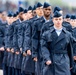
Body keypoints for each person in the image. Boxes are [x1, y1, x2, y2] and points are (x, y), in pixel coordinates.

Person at [41, 11, 73, 75]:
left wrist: (71, 64)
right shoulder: (47, 34)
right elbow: (44, 47)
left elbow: (70, 50)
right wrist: (47, 58)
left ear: (62, 20)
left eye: (60, 19)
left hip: (64, 61)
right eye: (56, 19)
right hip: (52, 60)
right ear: (53, 20)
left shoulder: (68, 34)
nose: (58, 21)